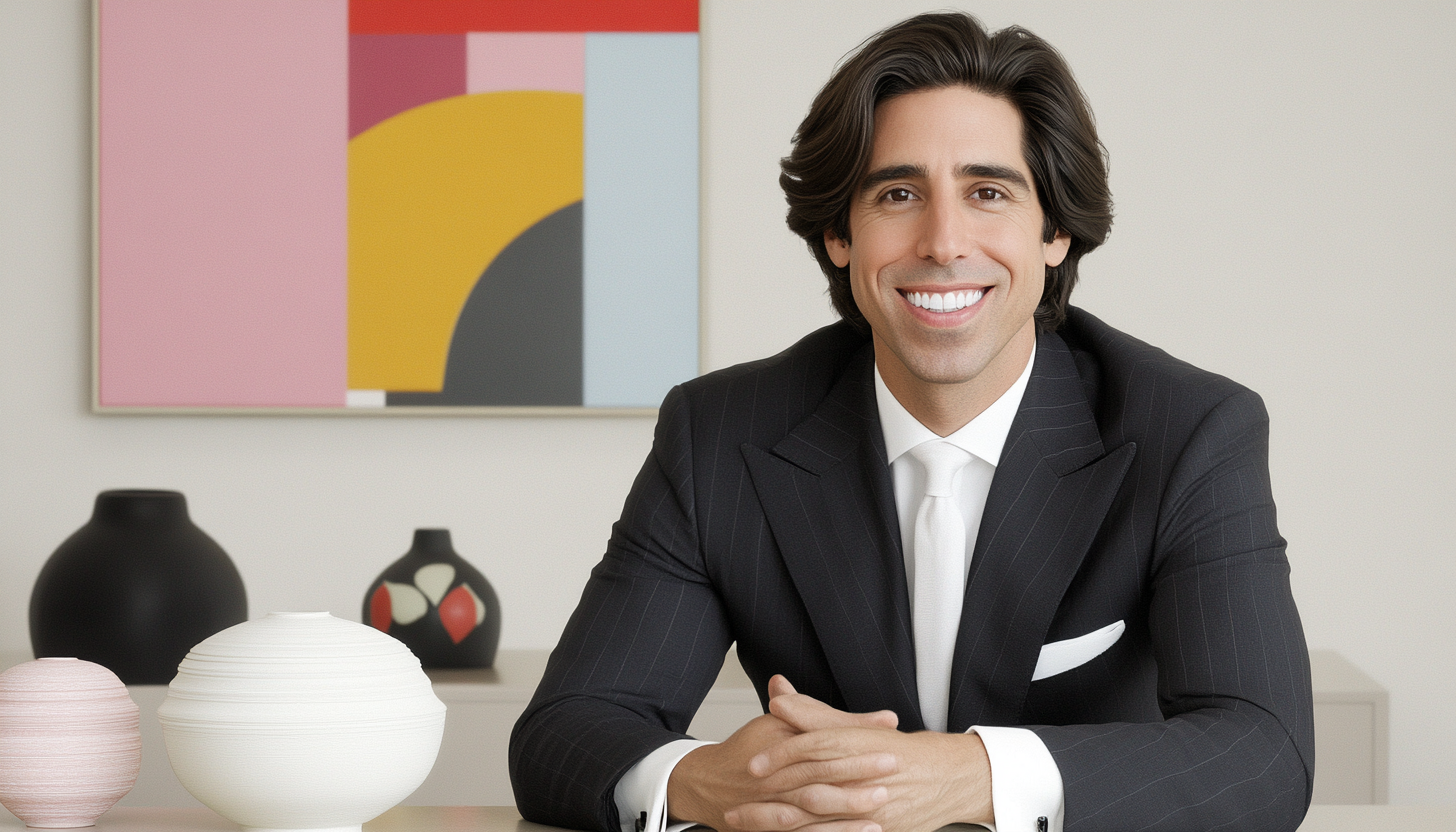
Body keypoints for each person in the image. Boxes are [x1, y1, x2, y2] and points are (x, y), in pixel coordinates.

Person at [510, 11, 1313, 832]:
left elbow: (1263, 752)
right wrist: (706, 780)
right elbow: (564, 734)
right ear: (838, 235)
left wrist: (972, 774)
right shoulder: (718, 434)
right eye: (898, 194)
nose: (943, 241)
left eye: (988, 192)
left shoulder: (1191, 431)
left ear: (1056, 232)